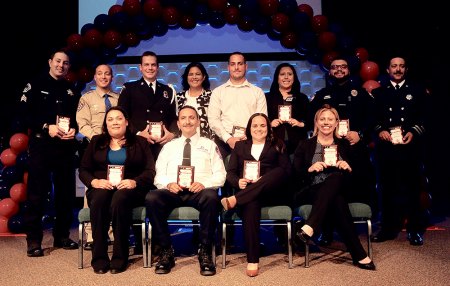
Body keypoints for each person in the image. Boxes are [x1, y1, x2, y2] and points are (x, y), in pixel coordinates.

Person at [292, 105, 376, 271]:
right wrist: (309, 169)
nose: (326, 122)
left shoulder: (346, 144)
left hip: (343, 186)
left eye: (330, 119)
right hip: (313, 189)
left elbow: (364, 172)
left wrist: (349, 167)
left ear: (337, 123)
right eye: (322, 119)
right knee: (337, 200)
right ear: (316, 122)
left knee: (336, 177)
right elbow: (294, 174)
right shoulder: (305, 145)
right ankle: (358, 253)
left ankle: (310, 226)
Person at [146, 106, 226, 276]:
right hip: (173, 191)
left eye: (191, 117)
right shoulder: (169, 146)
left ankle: (205, 250)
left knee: (212, 197)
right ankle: (166, 250)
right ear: (178, 123)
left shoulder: (209, 145)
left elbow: (221, 174)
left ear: (198, 121)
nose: (187, 121)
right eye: (183, 118)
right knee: (152, 198)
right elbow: (158, 174)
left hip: (199, 191)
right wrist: (168, 184)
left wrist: (203, 183)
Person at [18, 49, 81, 257]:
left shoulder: (71, 90)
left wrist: (74, 130)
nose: (61, 65)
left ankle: (62, 236)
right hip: (41, 146)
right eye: (58, 61)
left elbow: (77, 119)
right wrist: (46, 127)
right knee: (36, 194)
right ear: (50, 62)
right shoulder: (35, 85)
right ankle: (34, 240)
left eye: (65, 63)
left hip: (64, 148)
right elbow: (23, 115)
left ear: (68, 66)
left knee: (65, 195)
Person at [79, 106, 156, 274]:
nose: (115, 122)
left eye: (119, 118)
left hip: (130, 189)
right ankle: (99, 257)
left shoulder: (140, 142)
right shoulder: (96, 141)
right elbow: (84, 169)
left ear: (127, 122)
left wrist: (134, 182)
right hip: (102, 186)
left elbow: (150, 171)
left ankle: (120, 257)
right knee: (99, 198)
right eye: (110, 119)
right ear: (105, 124)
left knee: (120, 199)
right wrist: (94, 181)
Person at [308, 58, 377, 246]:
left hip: (354, 149)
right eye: (335, 67)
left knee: (350, 188)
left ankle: (349, 230)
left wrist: (361, 134)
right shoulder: (322, 94)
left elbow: (373, 117)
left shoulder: (361, 93)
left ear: (349, 70)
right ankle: (327, 231)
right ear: (330, 72)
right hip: (329, 150)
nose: (339, 70)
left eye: (343, 67)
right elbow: (310, 118)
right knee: (328, 185)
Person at [220, 113, 292, 277]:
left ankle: (235, 200)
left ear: (268, 127)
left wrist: (264, 180)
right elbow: (230, 173)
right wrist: (238, 182)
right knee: (251, 203)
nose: (259, 129)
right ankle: (253, 260)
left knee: (279, 171)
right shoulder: (240, 146)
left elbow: (287, 172)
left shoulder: (277, 144)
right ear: (249, 128)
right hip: (249, 192)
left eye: (262, 125)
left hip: (272, 193)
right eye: (255, 126)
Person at [370, 56, 427, 246]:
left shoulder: (417, 90)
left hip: (410, 147)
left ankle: (415, 230)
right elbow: (373, 120)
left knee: (413, 189)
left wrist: (413, 132)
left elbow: (425, 118)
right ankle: (387, 229)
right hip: (387, 149)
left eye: (401, 66)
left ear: (406, 69)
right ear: (388, 70)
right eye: (394, 66)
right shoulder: (379, 93)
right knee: (387, 189)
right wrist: (381, 131)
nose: (398, 69)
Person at [76, 63, 119, 250]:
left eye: (107, 74)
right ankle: (91, 234)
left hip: (116, 146)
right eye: (100, 74)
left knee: (113, 185)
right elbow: (82, 124)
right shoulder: (86, 98)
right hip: (95, 147)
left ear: (112, 77)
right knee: (93, 186)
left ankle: (109, 233)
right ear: (94, 77)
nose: (104, 77)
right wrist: (99, 140)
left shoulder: (118, 98)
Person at [118, 51, 177, 159]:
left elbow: (174, 118)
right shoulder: (129, 88)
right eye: (146, 64)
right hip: (137, 144)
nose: (150, 68)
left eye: (153, 65)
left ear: (158, 67)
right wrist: (139, 133)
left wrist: (172, 134)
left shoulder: (168, 90)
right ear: (140, 67)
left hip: (163, 145)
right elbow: (122, 117)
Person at [207, 51, 268, 159]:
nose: (236, 67)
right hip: (224, 141)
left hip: (251, 140)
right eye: (233, 64)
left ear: (246, 66)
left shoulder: (257, 92)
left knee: (251, 173)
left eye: (240, 64)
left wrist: (248, 136)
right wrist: (228, 139)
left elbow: (262, 120)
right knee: (215, 170)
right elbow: (213, 119)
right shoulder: (218, 92)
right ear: (228, 67)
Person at [265, 62, 310, 155]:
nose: (286, 77)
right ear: (277, 78)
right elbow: (259, 119)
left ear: (294, 78)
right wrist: (269, 124)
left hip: (298, 144)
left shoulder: (302, 98)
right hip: (273, 144)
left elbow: (311, 120)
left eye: (289, 74)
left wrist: (300, 124)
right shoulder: (267, 98)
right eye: (282, 74)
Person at [176, 62, 215, 140]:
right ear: (186, 77)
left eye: (198, 74)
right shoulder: (178, 97)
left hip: (206, 142)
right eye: (191, 74)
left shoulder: (212, 95)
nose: (194, 77)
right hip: (182, 142)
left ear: (204, 77)